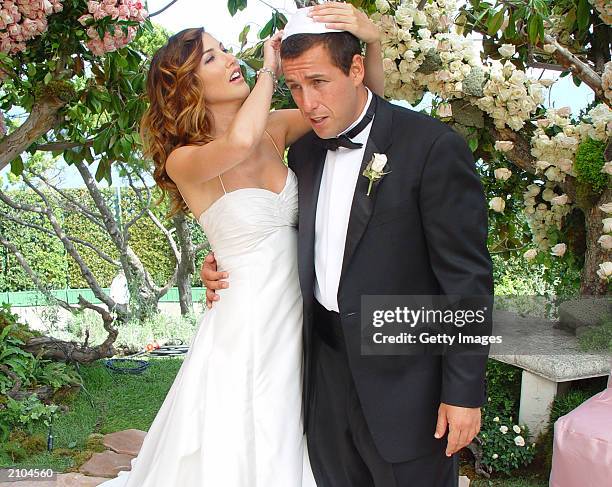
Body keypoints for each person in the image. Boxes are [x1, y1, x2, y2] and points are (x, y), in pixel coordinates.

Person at [202, 6, 494, 487]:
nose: (308, 102)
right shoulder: (306, 152)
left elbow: (467, 281)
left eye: (319, 82)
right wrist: (221, 264)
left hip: (408, 385)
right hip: (324, 374)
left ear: (356, 69)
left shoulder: (431, 148)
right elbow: (285, 234)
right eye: (295, 88)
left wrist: (464, 391)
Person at [97, 4, 383, 486]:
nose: (231, 59)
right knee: (246, 429)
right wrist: (270, 70)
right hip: (245, 319)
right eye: (212, 58)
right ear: (186, 85)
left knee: (289, 426)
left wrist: (371, 41)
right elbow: (238, 142)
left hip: (298, 310)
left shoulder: (275, 129)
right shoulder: (184, 160)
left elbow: (360, 100)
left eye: (224, 49)